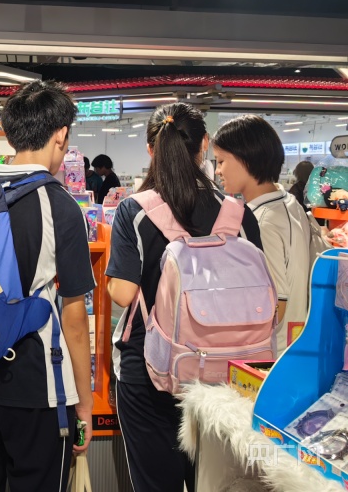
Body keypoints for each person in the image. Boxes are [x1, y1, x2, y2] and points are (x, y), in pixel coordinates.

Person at [106, 103, 263, 492]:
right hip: (224, 372)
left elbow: (123, 294)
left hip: (151, 368)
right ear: (204, 144)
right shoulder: (238, 214)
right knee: (214, 482)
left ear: (150, 149)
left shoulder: (134, 210)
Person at [0, 80, 95, 492]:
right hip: (37, 384)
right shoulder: (61, 206)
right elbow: (74, 317)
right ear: (61, 135)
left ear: (10, 134)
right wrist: (84, 402)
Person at [213, 115, 310, 352]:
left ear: (246, 159)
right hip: (292, 345)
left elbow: (275, 306)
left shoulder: (262, 221)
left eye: (221, 161)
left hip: (268, 354)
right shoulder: (289, 203)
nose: (217, 171)